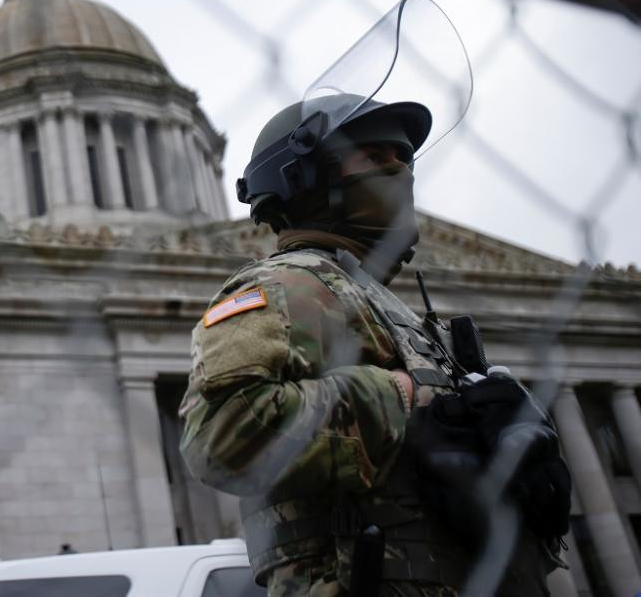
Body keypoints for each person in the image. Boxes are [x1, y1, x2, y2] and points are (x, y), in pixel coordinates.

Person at [178, 94, 568, 596]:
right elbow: (222, 434)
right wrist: (406, 397)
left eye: (403, 159)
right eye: (374, 157)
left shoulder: (391, 308)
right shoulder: (286, 284)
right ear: (304, 177)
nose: (399, 172)